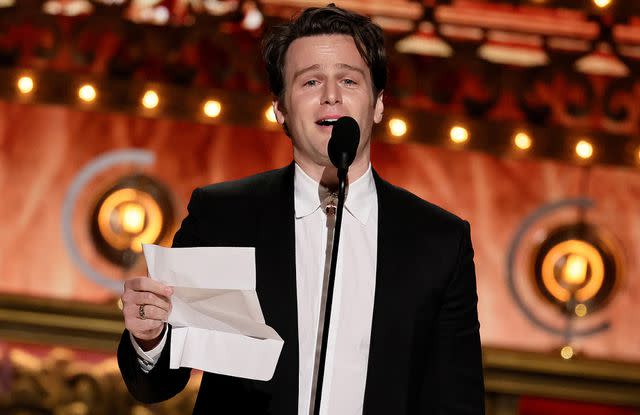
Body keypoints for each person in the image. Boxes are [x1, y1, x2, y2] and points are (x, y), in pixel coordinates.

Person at [117, 4, 485, 414]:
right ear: (281, 110)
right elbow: (156, 384)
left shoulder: (438, 241)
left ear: (378, 104)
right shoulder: (223, 216)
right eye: (310, 81)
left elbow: (457, 402)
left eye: (348, 79)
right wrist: (149, 339)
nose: (331, 96)